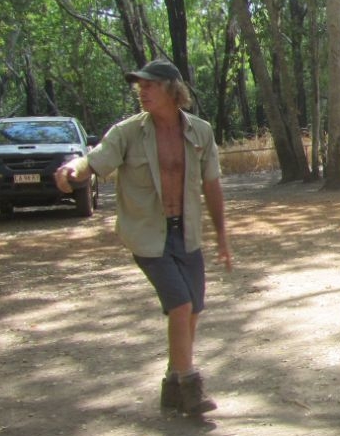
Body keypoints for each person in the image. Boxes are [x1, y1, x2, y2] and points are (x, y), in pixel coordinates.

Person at [54, 59, 232, 414]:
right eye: (140, 86)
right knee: (180, 306)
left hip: (188, 233)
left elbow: (212, 184)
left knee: (192, 310)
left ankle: (171, 386)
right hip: (148, 235)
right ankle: (190, 385)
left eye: (149, 85)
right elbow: (95, 159)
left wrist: (222, 237)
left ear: (172, 89)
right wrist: (72, 168)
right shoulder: (128, 132)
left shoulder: (200, 132)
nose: (142, 92)